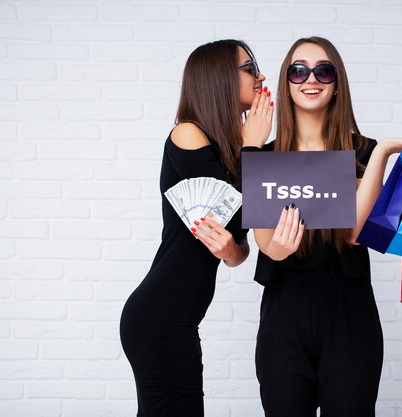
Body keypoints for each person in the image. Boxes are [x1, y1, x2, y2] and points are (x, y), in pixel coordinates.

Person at [245, 37, 402, 416]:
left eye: (323, 70)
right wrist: (281, 244)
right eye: (298, 70)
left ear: (337, 82)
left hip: (349, 308)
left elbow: (357, 232)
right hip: (284, 309)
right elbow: (267, 246)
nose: (311, 79)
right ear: (286, 82)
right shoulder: (268, 156)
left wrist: (383, 154)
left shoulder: (365, 151)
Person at [120, 39, 272, 417]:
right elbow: (232, 212)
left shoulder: (230, 150)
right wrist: (253, 148)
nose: (261, 76)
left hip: (179, 319)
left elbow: (236, 244)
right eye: (250, 67)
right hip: (158, 317)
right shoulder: (187, 133)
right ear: (218, 77)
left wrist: (231, 251)